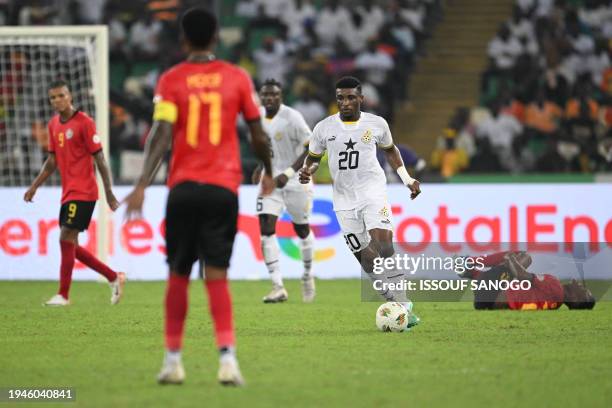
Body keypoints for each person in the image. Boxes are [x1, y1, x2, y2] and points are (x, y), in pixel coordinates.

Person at [123, 8, 274, 386]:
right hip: (223, 189)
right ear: (217, 36)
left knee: (177, 275)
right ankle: (227, 360)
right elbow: (257, 134)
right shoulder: (237, 77)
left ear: (184, 39)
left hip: (183, 189)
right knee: (217, 276)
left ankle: (173, 362)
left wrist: (142, 183)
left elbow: (160, 133)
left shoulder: (172, 79)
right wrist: (269, 170)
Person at [299, 76, 421, 325]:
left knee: (384, 244)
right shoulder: (323, 128)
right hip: (343, 200)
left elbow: (391, 151)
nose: (345, 102)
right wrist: (306, 170)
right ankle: (391, 301)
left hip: (373, 192)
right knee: (366, 259)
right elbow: (312, 158)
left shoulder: (376, 124)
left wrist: (407, 179)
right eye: (340, 98)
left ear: (361, 99)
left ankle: (403, 303)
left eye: (350, 97)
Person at [24, 80, 125, 307]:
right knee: (71, 245)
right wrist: (35, 185)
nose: (57, 100)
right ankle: (113, 277)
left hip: (84, 191)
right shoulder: (53, 125)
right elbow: (52, 162)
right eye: (53, 97)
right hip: (68, 192)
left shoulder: (84, 123)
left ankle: (63, 295)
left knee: (65, 237)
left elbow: (100, 158)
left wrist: (108, 192)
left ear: (70, 97)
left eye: (61, 95)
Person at [253, 79, 315, 303]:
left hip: (297, 180)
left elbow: (311, 148)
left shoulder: (293, 118)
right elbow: (265, 146)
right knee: (265, 227)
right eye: (266, 95)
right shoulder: (257, 115)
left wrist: (287, 174)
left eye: (274, 95)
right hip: (270, 181)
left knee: (302, 230)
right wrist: (261, 167)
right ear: (261, 97)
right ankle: (277, 286)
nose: (269, 99)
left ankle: (307, 275)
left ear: (281, 97)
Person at [458, 251, 596, 310]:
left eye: (583, 291)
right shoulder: (556, 304)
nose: (581, 285)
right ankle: (473, 273)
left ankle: (469, 263)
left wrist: (510, 258)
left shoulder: (555, 287)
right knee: (509, 271)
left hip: (491, 293)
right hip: (486, 303)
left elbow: (521, 275)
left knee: (523, 256)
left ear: (575, 299)